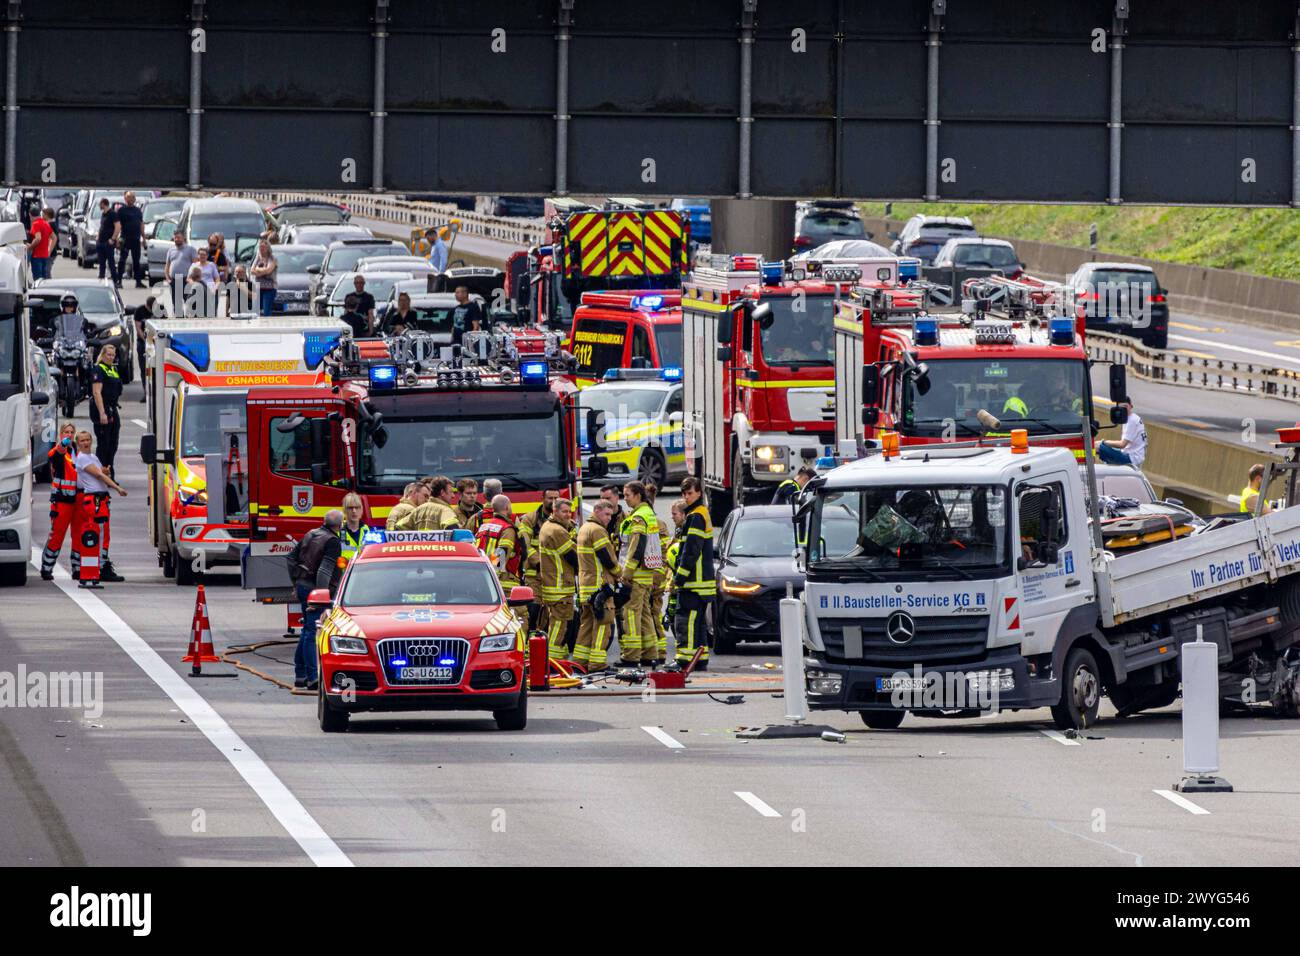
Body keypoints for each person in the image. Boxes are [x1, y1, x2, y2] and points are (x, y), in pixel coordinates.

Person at [285, 510, 344, 689]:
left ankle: (300, 675)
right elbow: (324, 571)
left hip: (303, 586)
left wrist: (295, 583)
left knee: (306, 631)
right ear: (340, 525)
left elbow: (290, 559)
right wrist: (321, 597)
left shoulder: (311, 534)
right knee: (312, 633)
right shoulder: (332, 541)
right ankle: (312, 678)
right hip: (315, 590)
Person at [673, 476, 717, 670]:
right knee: (698, 624)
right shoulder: (701, 513)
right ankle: (700, 659)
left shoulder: (695, 516)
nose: (687, 497)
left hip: (693, 581)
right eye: (684, 493)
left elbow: (691, 550)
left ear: (699, 493)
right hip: (701, 582)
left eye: (690, 493)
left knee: (686, 621)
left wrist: (680, 576)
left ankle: (685, 660)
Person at [618, 481, 663, 666]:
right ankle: (650, 653)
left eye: (627, 495)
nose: (625, 498)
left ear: (637, 495)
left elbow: (637, 547)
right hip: (646, 574)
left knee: (630, 613)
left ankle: (631, 656)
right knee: (644, 614)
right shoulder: (648, 514)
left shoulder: (639, 517)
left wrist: (627, 572)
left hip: (636, 575)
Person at [73, 429, 127, 583]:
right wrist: (117, 487)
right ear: (78, 443)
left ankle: (102, 564)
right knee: (100, 534)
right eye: (82, 441)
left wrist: (105, 471)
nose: (85, 443)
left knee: (105, 534)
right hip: (94, 500)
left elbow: (100, 472)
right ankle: (101, 567)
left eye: (87, 440)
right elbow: (98, 475)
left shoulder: (92, 457)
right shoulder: (82, 458)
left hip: (101, 499)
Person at [574, 499, 621, 670]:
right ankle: (597, 663)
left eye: (611, 514)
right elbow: (607, 558)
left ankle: (580, 662)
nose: (609, 518)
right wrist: (619, 574)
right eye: (607, 514)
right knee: (604, 624)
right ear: (596, 511)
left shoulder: (584, 528)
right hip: (600, 586)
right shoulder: (598, 530)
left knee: (586, 625)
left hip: (586, 586)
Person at [538, 497, 578, 660]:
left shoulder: (549, 527)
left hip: (553, 584)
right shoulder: (557, 531)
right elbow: (573, 556)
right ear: (554, 511)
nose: (568, 515)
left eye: (569, 512)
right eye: (564, 511)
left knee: (555, 622)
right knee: (559, 623)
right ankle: (553, 659)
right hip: (560, 585)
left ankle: (554, 656)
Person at [40, 424, 80, 580]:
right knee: (57, 534)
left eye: (71, 432)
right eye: (66, 432)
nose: (69, 435)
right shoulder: (58, 452)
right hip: (62, 501)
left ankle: (77, 568)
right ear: (60, 434)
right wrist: (63, 444)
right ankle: (46, 567)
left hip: (78, 500)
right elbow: (55, 455)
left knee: (78, 535)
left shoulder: (78, 451)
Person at [518, 488, 560, 632]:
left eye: (556, 498)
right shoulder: (529, 519)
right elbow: (526, 545)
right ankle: (530, 640)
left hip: (555, 575)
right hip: (534, 573)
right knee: (534, 608)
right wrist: (541, 563)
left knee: (552, 611)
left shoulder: (565, 521)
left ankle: (544, 641)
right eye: (550, 498)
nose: (553, 502)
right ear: (543, 499)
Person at [90, 344, 122, 477]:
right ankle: (101, 473)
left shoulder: (113, 369)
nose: (111, 357)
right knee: (104, 444)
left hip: (112, 409)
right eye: (108, 354)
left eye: (113, 355)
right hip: (102, 409)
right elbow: (97, 392)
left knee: (113, 443)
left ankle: (109, 470)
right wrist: (102, 413)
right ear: (102, 355)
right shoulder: (98, 369)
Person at [476, 494, 521, 588]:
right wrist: (492, 577)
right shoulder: (507, 529)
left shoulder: (484, 526)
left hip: (481, 577)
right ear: (507, 507)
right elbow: (501, 553)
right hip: (501, 582)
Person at [1097, 399, 1146, 468]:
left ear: (1131, 406)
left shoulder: (1131, 421)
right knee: (1101, 446)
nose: (1124, 409)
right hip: (1135, 456)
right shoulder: (1134, 417)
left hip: (1131, 459)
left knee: (1097, 446)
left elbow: (1122, 444)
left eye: (1125, 406)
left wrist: (1103, 442)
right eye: (1121, 407)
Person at [112, 190, 146, 287]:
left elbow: (141, 225)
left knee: (136, 261)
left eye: (132, 198)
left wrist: (144, 239)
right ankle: (119, 281)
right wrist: (117, 238)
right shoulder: (121, 211)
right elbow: (117, 225)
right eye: (128, 198)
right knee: (122, 260)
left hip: (135, 239)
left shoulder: (138, 211)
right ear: (125, 199)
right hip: (125, 239)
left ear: (135, 199)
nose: (130, 200)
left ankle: (138, 282)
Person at [131, 296, 156, 402]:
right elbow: (138, 328)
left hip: (156, 343)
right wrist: (146, 340)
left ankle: (156, 391)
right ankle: (146, 392)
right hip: (143, 343)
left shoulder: (160, 309)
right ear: (147, 305)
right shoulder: (139, 311)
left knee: (156, 367)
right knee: (144, 368)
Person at [339, 492, 371, 564]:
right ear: (344, 510)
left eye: (357, 507)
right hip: (344, 574)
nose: (354, 511)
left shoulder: (367, 531)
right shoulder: (338, 532)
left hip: (363, 571)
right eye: (350, 508)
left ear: (361, 510)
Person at [25, 205, 56, 281]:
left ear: (30, 215)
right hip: (45, 256)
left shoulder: (35, 224)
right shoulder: (46, 224)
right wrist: (49, 251)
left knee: (38, 279)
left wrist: (30, 247)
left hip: (37, 256)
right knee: (45, 279)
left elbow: (38, 238)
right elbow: (54, 238)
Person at [95, 197, 121, 285]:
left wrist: (113, 239)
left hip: (108, 243)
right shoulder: (103, 214)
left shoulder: (112, 214)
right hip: (100, 242)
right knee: (101, 263)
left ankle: (115, 280)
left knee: (111, 262)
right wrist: (98, 236)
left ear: (104, 204)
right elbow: (102, 226)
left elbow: (118, 227)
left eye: (100, 204)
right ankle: (101, 279)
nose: (99, 206)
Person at [250, 240, 278, 316]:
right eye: (260, 247)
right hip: (258, 287)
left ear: (267, 248)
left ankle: (267, 325)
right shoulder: (258, 257)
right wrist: (262, 271)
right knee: (255, 310)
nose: (261, 249)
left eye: (263, 248)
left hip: (269, 288)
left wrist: (258, 270)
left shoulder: (272, 258)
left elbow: (269, 270)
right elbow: (252, 270)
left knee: (266, 311)